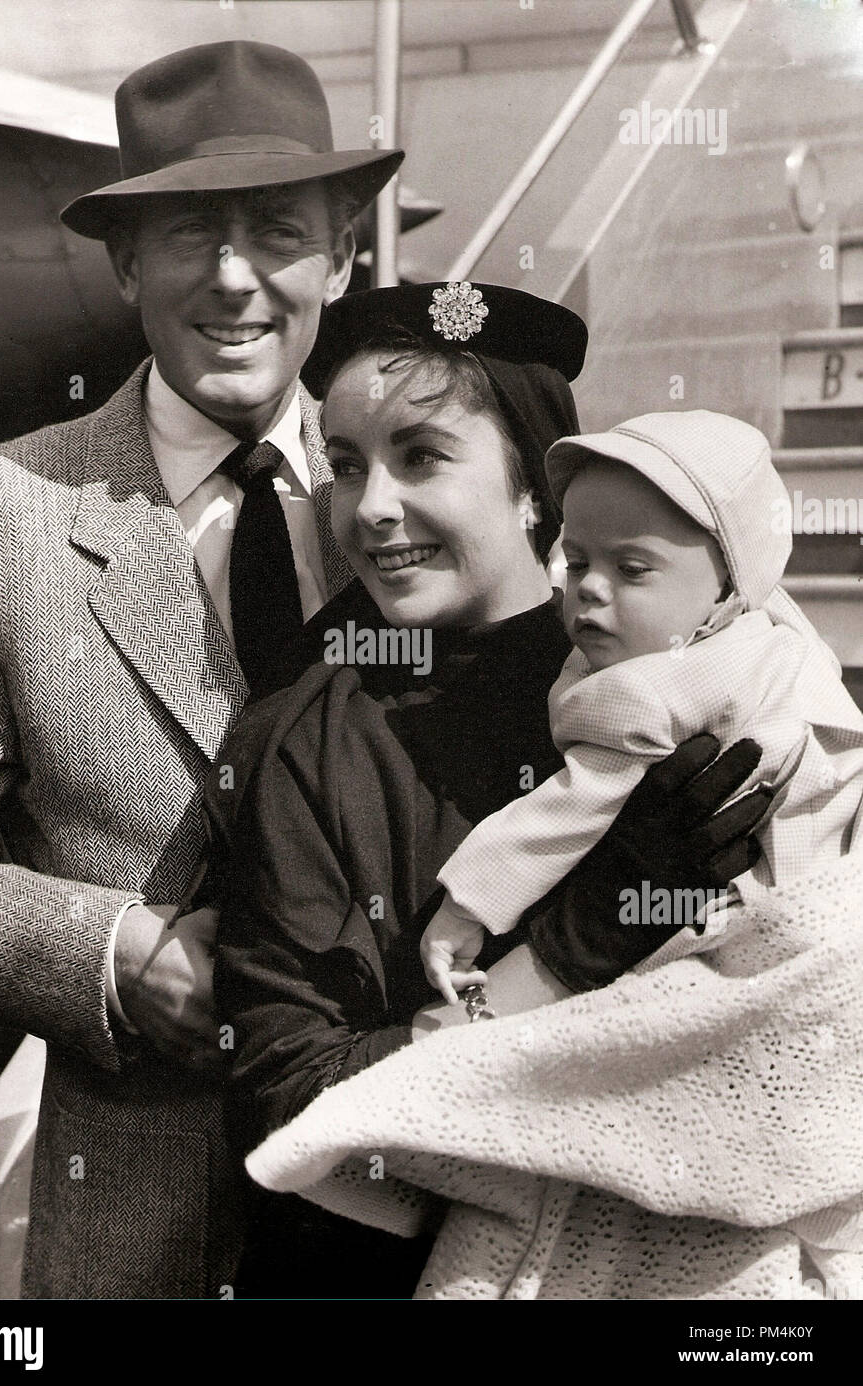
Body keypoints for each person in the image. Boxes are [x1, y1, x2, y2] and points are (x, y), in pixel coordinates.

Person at [0, 41, 401, 1299]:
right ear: (125, 263)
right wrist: (114, 951)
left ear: (341, 255)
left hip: (418, 1206)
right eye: (186, 237)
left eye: (277, 230)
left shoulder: (420, 506)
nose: (233, 279)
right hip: (135, 1234)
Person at [205, 283, 773, 1298]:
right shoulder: (303, 737)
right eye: (343, 466)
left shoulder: (703, 696)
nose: (368, 506)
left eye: (419, 456)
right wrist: (571, 950)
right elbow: (289, 1091)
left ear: (531, 488)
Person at [421, 410, 863, 1003]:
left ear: (727, 590)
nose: (591, 587)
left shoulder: (652, 687)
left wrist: (466, 904)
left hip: (778, 908)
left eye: (631, 569)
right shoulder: (777, 632)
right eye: (576, 562)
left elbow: (569, 808)